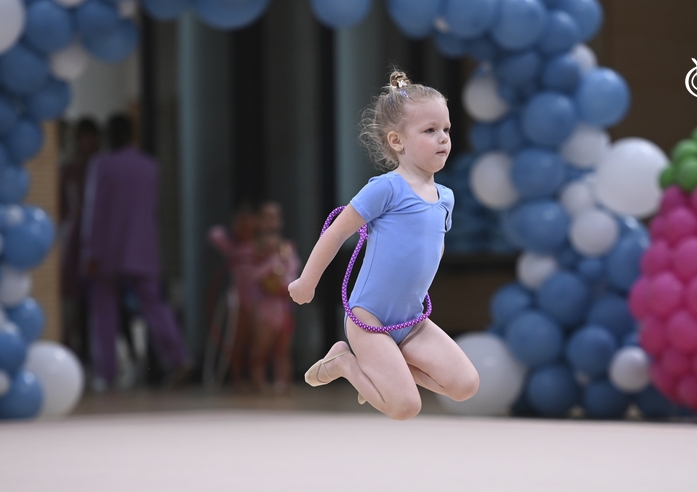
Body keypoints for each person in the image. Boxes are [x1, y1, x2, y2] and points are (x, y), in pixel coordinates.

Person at [288, 71, 479, 420]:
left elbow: (431, 249)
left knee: (466, 385)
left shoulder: (445, 198)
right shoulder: (386, 188)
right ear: (397, 141)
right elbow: (336, 232)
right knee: (405, 408)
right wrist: (307, 281)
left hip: (412, 320)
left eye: (446, 130)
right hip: (369, 319)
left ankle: (383, 372)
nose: (443, 139)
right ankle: (346, 363)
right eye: (430, 130)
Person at [82, 113, 190, 390]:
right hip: (143, 247)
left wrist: (90, 252)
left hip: (108, 248)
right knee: (155, 305)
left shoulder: (102, 165)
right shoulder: (149, 166)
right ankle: (178, 358)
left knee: (104, 310)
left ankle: (107, 374)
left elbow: (96, 211)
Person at [209, 202, 299, 392]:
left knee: (282, 351)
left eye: (275, 217)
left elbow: (293, 272)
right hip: (261, 308)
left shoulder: (286, 248)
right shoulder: (249, 249)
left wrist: (282, 283)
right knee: (257, 350)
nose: (271, 222)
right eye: (266, 217)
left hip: (282, 308)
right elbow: (251, 278)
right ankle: (255, 387)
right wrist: (266, 260)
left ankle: (283, 387)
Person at [58, 117, 101, 361]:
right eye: (85, 136)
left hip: (99, 240)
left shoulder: (104, 167)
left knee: (100, 302)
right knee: (71, 302)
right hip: (74, 240)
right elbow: (62, 209)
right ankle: (71, 352)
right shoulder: (70, 170)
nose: (89, 142)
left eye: (92, 136)